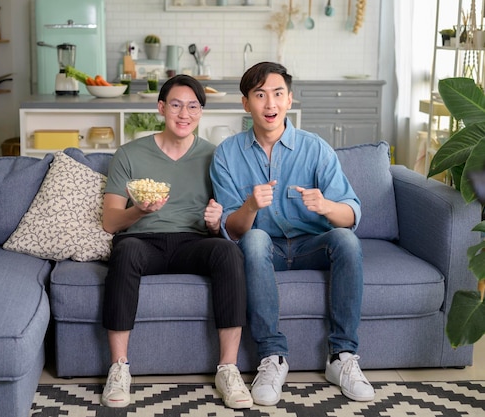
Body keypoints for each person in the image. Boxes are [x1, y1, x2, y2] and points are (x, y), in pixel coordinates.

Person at [209, 62, 375, 406]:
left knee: (346, 240)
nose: (269, 104)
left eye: (277, 94)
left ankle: (342, 357)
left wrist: (327, 206)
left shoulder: (316, 149)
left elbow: (350, 215)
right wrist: (250, 206)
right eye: (259, 95)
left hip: (311, 246)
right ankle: (273, 358)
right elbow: (232, 229)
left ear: (289, 100)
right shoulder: (226, 154)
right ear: (245, 103)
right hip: (262, 249)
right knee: (254, 238)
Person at [100, 74, 252, 410]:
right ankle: (119, 368)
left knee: (228, 252)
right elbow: (110, 222)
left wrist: (216, 224)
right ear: (160, 108)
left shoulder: (216, 156)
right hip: (142, 239)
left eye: (193, 107)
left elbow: (228, 223)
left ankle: (228, 369)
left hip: (194, 241)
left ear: (201, 112)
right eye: (176, 105)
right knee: (124, 252)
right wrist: (137, 211)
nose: (184, 114)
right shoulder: (129, 154)